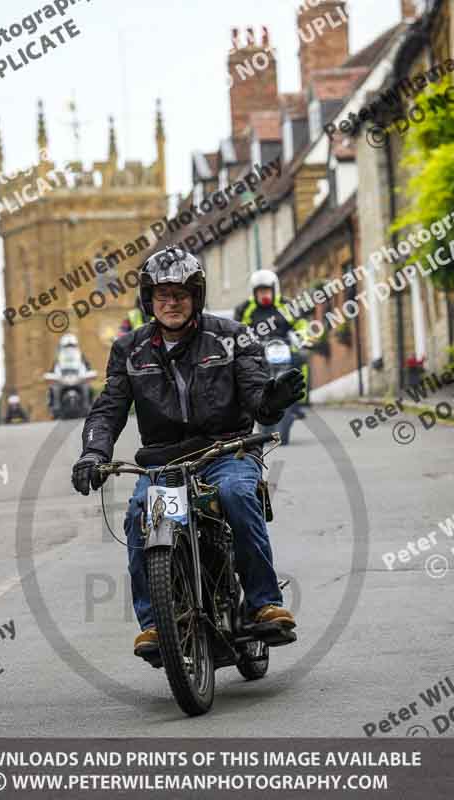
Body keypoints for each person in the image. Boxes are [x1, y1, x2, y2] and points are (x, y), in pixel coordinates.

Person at [71, 248, 305, 662]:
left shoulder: (233, 336)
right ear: (149, 300)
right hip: (164, 462)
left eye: (180, 294)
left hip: (227, 451)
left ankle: (264, 602)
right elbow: (108, 409)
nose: (172, 303)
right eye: (163, 295)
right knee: (139, 513)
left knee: (236, 494)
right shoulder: (129, 350)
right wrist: (93, 452)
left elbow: (257, 397)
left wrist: (272, 400)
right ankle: (155, 624)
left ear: (196, 296)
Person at [235, 269, 310, 417]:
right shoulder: (245, 308)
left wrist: (302, 335)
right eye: (261, 291)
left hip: (284, 346)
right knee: (240, 367)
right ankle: (244, 402)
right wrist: (242, 343)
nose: (264, 295)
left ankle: (300, 400)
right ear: (254, 292)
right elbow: (237, 328)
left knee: (301, 359)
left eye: (267, 291)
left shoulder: (286, 305)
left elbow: (301, 323)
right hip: (257, 349)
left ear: (275, 290)